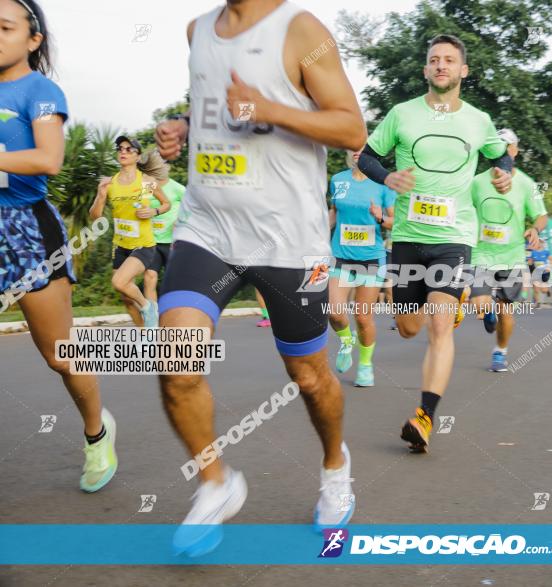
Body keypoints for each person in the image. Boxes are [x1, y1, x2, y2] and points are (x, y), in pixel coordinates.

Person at [153, 0, 366, 553]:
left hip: (288, 240)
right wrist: (184, 126)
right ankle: (215, 482)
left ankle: (335, 468)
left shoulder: (301, 30)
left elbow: (349, 126)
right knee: (174, 360)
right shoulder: (196, 30)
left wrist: (271, 107)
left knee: (311, 378)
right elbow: (221, 108)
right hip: (209, 228)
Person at [356, 34, 512, 453]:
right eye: (434, 60)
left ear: (463, 71)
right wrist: (386, 176)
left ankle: (424, 417)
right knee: (408, 328)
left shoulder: (479, 120)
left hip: (453, 238)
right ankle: (450, 304)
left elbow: (502, 156)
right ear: (426, 70)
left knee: (440, 326)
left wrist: (504, 173)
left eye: (449, 60)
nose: (441, 65)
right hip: (407, 237)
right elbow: (366, 156)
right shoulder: (402, 114)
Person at [0, 0, 118, 493]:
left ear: (33, 39)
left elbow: (50, 158)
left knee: (61, 355)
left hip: (25, 229)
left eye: (3, 27)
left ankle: (97, 432)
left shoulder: (39, 90)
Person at [468, 128, 547, 371]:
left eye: (507, 146)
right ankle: (487, 310)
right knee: (480, 305)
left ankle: (500, 351)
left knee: (506, 312)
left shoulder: (528, 184)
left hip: (512, 257)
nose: (503, 151)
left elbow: (541, 215)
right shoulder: (477, 182)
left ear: (515, 150)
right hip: (481, 253)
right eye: (497, 146)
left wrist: (535, 229)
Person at [327, 148, 395, 386]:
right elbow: (334, 213)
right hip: (340, 255)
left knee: (363, 318)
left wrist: (379, 217)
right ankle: (347, 341)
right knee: (334, 312)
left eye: (363, 147)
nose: (357, 151)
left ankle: (365, 366)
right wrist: (315, 233)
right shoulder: (338, 180)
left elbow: (394, 222)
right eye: (353, 147)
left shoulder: (383, 183)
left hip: (370, 258)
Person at [89, 136, 170, 327]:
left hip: (143, 245)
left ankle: (148, 307)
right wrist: (101, 196)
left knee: (119, 281)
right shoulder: (110, 183)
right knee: (125, 297)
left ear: (138, 156)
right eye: (120, 148)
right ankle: (147, 334)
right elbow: (95, 217)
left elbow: (166, 203)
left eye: (129, 149)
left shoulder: (147, 182)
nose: (123, 152)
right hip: (120, 245)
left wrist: (154, 211)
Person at [139, 150, 185, 308]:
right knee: (149, 277)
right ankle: (153, 318)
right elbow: (143, 206)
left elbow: (192, 210)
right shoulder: (148, 186)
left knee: (176, 280)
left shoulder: (177, 188)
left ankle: (179, 313)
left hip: (173, 242)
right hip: (153, 241)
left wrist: (179, 222)